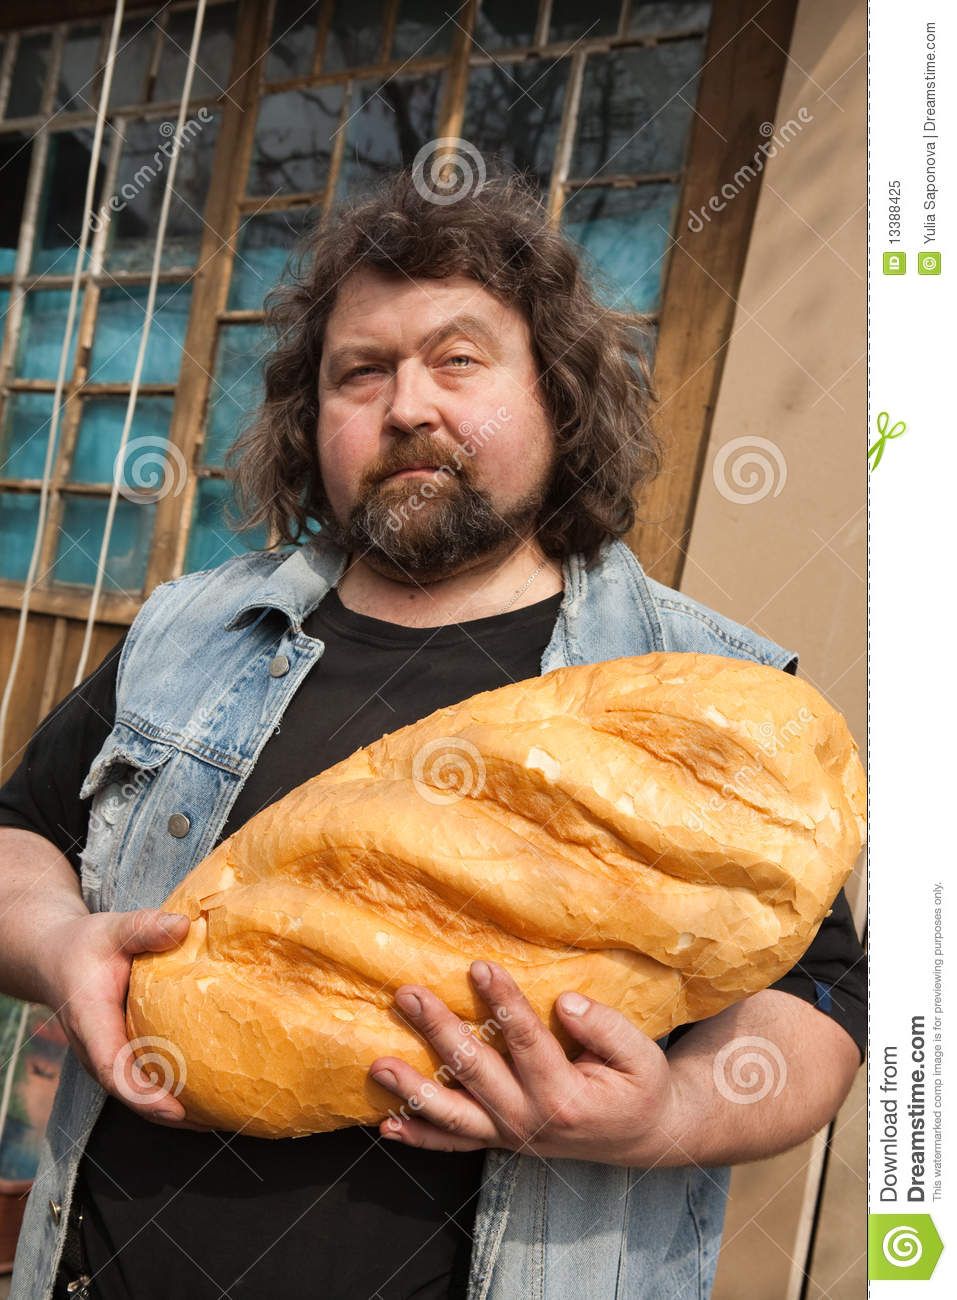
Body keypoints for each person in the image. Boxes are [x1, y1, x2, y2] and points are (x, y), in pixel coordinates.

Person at [0, 170, 865, 1300]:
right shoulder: (189, 629)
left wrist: (670, 1112)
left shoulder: (705, 702)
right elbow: (23, 833)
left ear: (557, 398)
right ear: (315, 421)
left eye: (459, 360)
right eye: (361, 371)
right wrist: (61, 950)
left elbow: (821, 1012)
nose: (409, 405)